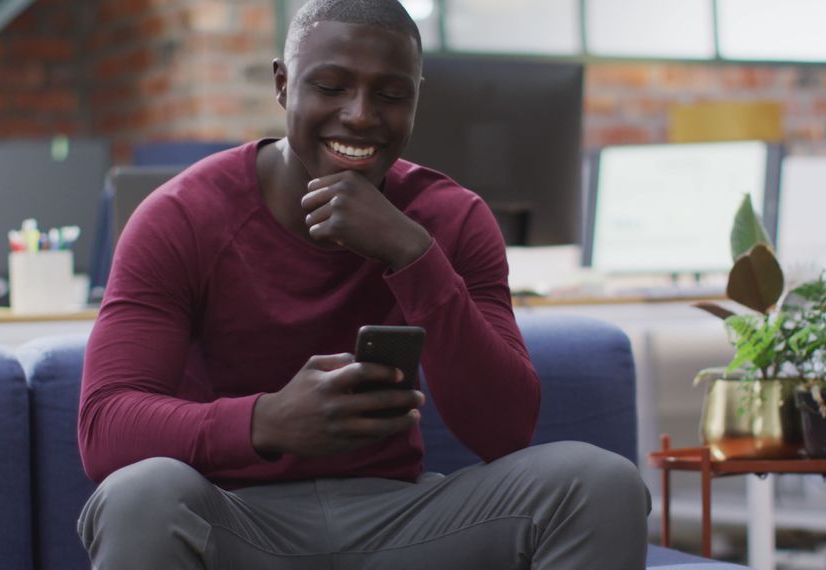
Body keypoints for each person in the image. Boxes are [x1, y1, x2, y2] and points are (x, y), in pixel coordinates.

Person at [77, 0, 650, 568]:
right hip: (237, 520)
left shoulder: (450, 218)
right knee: (140, 496)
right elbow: (105, 427)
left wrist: (413, 253)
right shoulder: (181, 217)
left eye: (392, 95)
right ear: (283, 85)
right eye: (330, 86)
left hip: (401, 519)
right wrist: (266, 421)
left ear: (417, 99)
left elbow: (506, 430)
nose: (359, 115)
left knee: (599, 482)